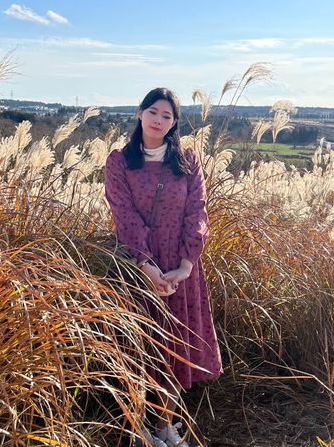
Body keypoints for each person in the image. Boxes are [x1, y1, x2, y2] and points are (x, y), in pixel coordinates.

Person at [104, 87, 222, 447]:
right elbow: (123, 214)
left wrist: (187, 263)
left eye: (167, 115)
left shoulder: (187, 160)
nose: (158, 120)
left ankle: (166, 427)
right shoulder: (120, 161)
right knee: (140, 347)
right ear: (140, 114)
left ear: (174, 123)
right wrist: (146, 266)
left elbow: (197, 210)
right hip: (139, 270)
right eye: (153, 111)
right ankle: (137, 428)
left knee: (175, 348)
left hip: (180, 270)